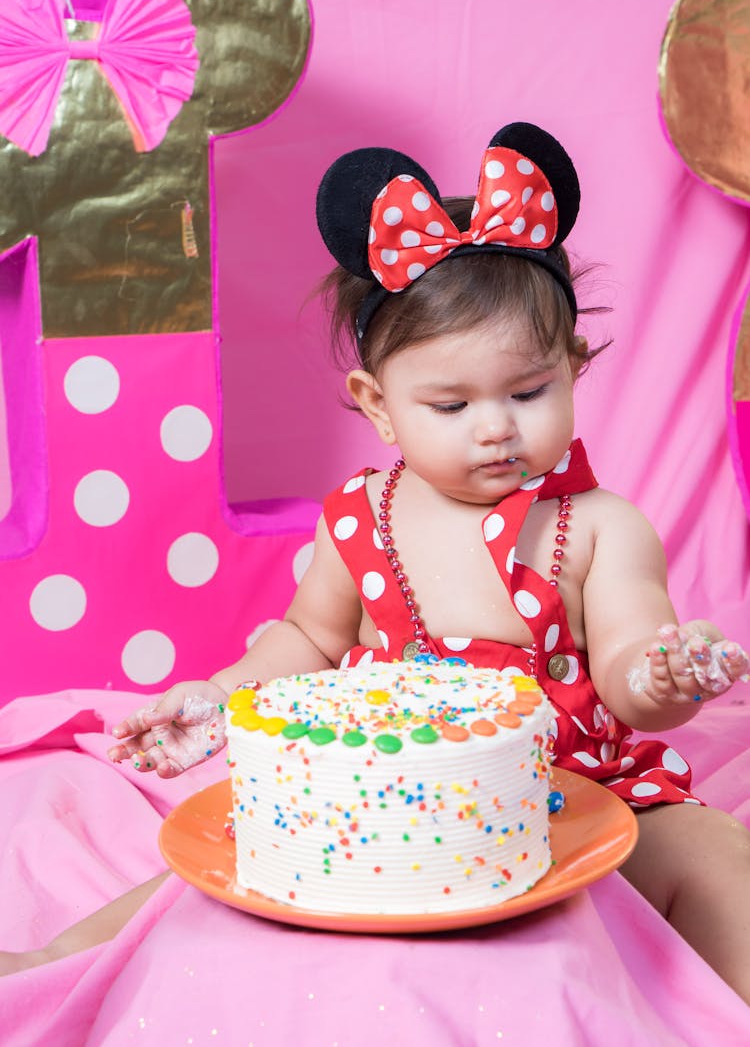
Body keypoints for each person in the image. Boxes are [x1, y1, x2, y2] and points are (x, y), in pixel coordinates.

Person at [3, 123, 749, 1003]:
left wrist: (661, 676)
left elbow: (626, 667)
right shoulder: (362, 518)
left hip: (572, 789)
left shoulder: (596, 527)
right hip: (385, 803)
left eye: (528, 391)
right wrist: (219, 695)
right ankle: (64, 962)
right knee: (222, 861)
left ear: (575, 370)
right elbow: (308, 639)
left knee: (716, 860)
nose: (495, 427)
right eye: (449, 402)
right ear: (380, 405)